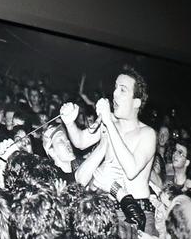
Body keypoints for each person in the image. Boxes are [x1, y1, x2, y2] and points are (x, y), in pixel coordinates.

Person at [59, 68, 158, 200]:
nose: (115, 93)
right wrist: (70, 123)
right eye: (115, 87)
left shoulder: (147, 133)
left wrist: (109, 123)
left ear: (136, 102)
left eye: (122, 90)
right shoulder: (109, 124)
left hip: (135, 208)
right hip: (109, 206)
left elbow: (131, 170)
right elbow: (80, 142)